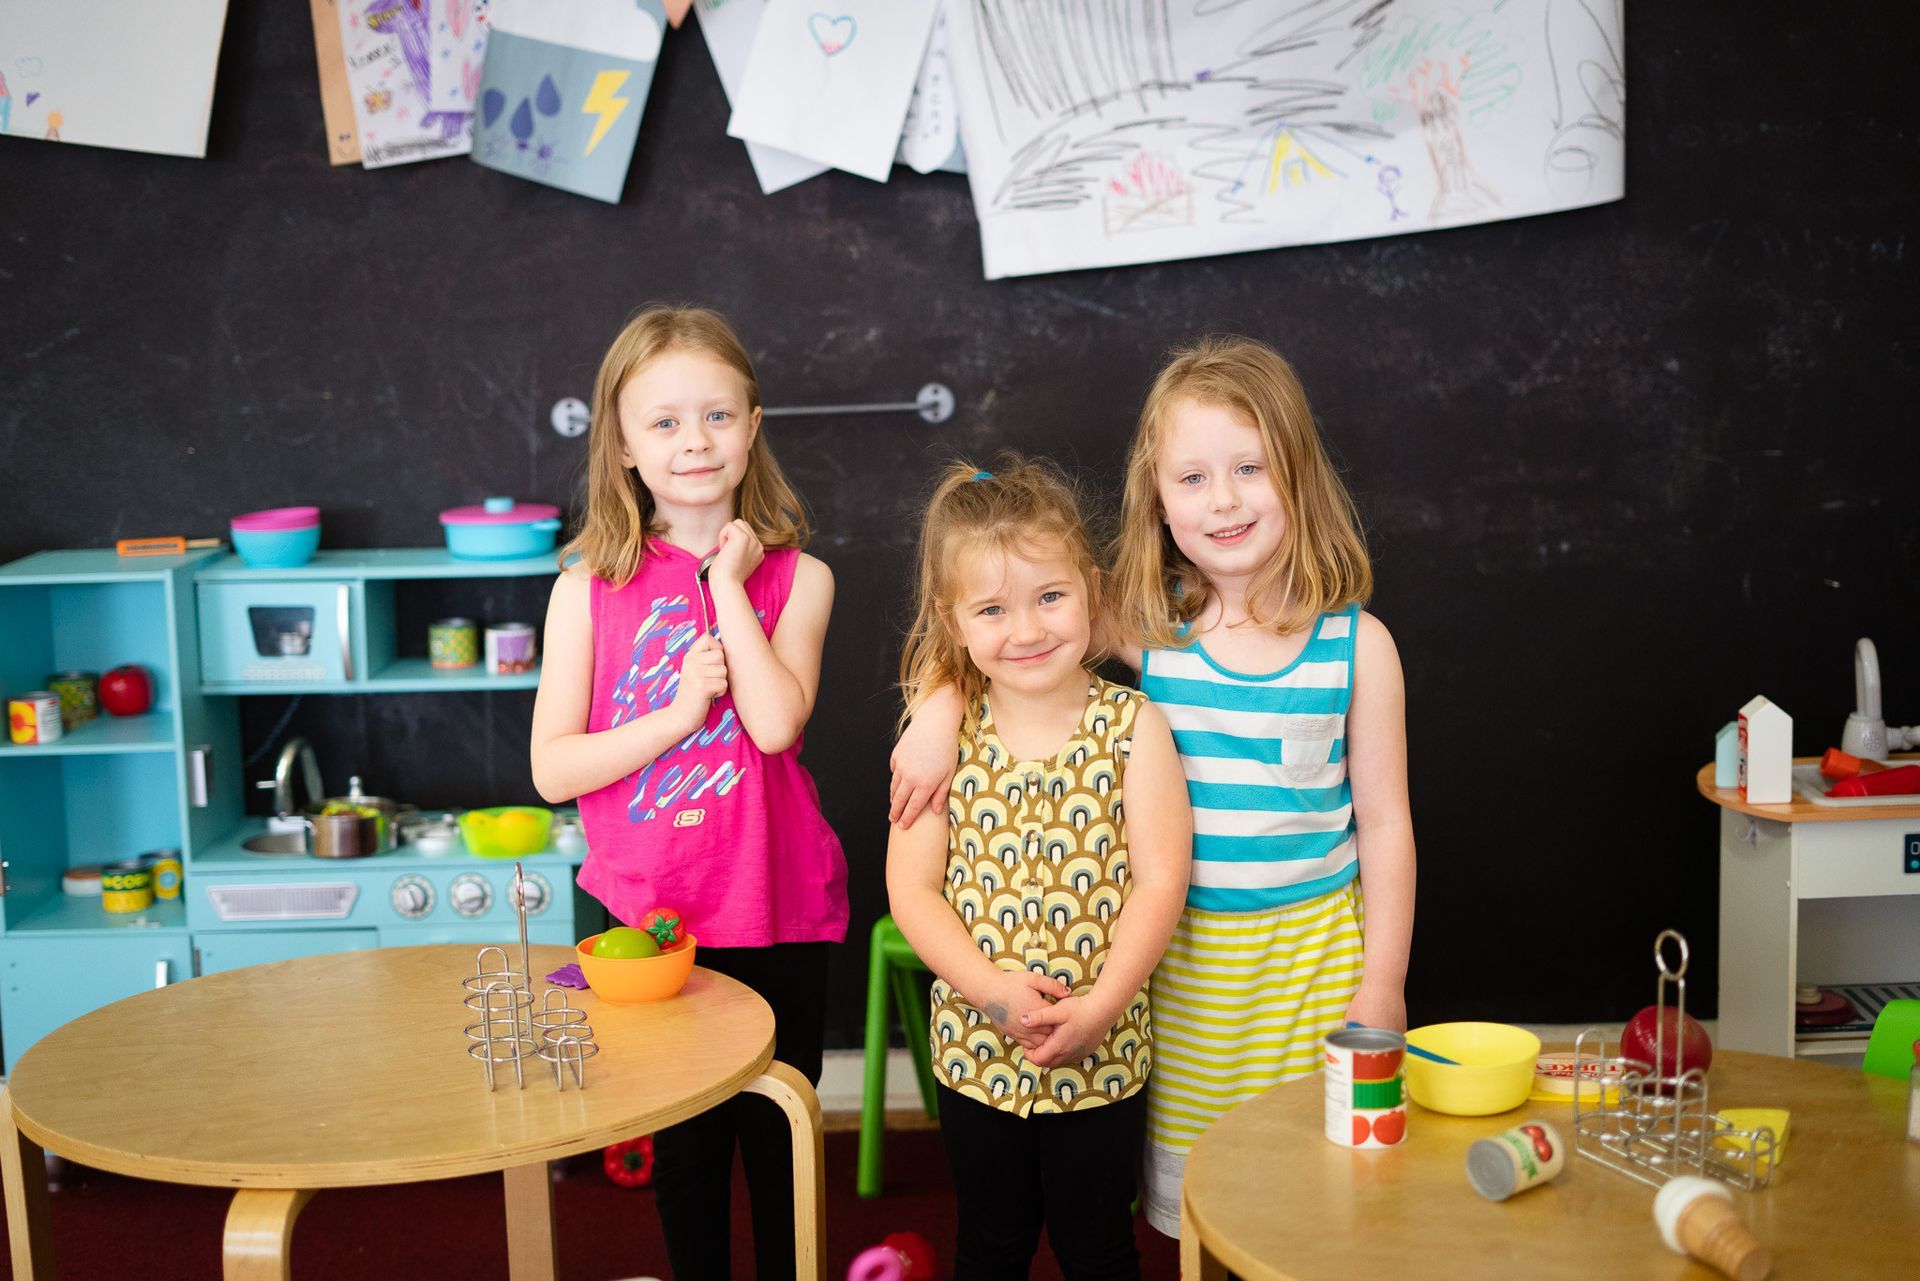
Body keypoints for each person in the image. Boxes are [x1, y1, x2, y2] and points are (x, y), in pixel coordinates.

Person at [889, 338, 1415, 1238]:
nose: (1224, 500)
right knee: (1201, 1203)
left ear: (1297, 473)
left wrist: (1385, 984)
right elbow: (1005, 630)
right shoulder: (1148, 630)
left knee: (1326, 1199)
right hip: (1183, 972)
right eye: (1194, 478)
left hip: (1318, 965)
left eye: (1249, 468)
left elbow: (1390, 827)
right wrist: (936, 707)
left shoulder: (1359, 646)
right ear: (1159, 501)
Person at [531, 304, 847, 1280]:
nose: (693, 441)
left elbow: (773, 724)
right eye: (663, 422)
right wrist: (672, 717)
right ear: (622, 445)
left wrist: (726, 586)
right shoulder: (586, 586)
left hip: (776, 909)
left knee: (778, 1143)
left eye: (716, 416)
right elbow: (552, 771)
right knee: (689, 1150)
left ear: (753, 427)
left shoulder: (802, 578)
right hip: (655, 920)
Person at [886, 457, 1191, 1280]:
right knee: (991, 1244)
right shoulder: (941, 744)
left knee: (1099, 1248)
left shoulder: (1135, 727)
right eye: (993, 608)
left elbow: (1162, 880)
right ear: (955, 622)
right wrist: (990, 988)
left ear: (1091, 589)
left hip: (1106, 1048)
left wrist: (1099, 1009)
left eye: (1050, 596)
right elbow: (912, 890)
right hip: (978, 1057)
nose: (1025, 630)